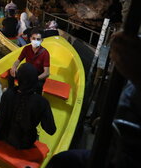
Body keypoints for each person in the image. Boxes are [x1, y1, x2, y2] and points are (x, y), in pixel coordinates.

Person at [47, 32, 141, 168]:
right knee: (63, 160)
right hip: (115, 150)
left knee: (63, 161)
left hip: (122, 159)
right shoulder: (131, 87)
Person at [0, 63, 56, 149]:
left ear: (18, 78)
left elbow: (1, 117)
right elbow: (51, 130)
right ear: (35, 80)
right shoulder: (42, 102)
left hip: (4, 136)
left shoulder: (7, 94)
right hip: (24, 144)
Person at [10, 28, 50, 94]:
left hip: (37, 75)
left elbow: (46, 73)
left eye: (38, 39)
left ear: (42, 40)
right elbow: (18, 61)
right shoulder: (26, 48)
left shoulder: (45, 53)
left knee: (38, 86)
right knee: (11, 74)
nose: (35, 41)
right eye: (33, 38)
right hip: (27, 72)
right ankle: (11, 92)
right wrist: (14, 67)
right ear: (30, 38)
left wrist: (35, 78)